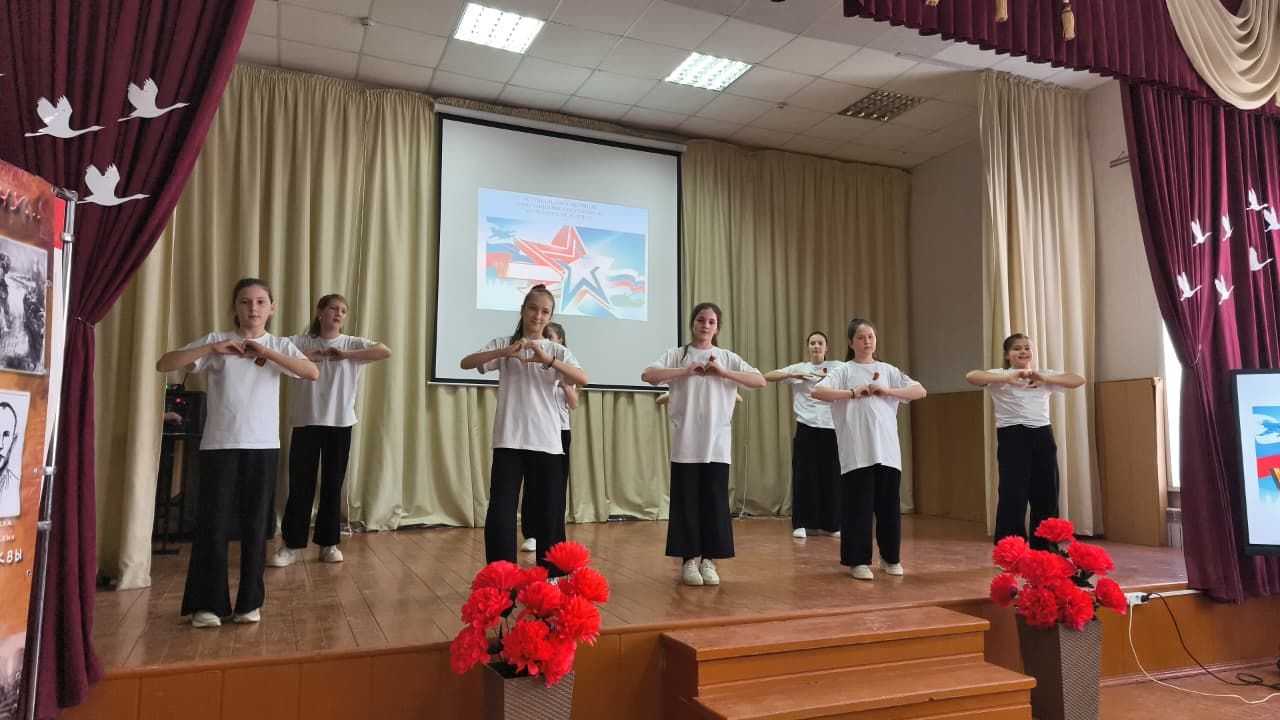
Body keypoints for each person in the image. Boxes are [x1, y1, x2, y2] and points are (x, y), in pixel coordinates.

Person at [156, 278, 318, 627]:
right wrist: (212, 349)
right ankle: (208, 605)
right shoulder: (217, 341)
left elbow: (311, 372)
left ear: (271, 308)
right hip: (219, 445)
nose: (253, 308)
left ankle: (249, 604)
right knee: (212, 525)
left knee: (256, 527)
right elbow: (165, 364)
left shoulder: (279, 345)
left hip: (263, 446)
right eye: (245, 302)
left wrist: (267, 353)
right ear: (234, 307)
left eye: (260, 302)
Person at [460, 284, 588, 574]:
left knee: (549, 512)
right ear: (523, 310)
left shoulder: (557, 350)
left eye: (545, 312)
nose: (538, 316)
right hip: (509, 440)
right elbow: (466, 363)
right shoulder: (505, 344)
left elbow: (583, 378)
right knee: (501, 511)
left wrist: (549, 360)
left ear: (550, 316)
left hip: (547, 442)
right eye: (533, 309)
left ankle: (553, 576)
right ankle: (502, 576)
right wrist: (505, 351)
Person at [641, 302, 765, 586]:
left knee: (715, 503)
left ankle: (709, 560)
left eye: (711, 322)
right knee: (687, 503)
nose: (705, 326)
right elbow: (648, 375)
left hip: (717, 445)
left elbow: (759, 381)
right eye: (700, 320)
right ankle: (688, 560)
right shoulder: (677, 355)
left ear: (717, 327)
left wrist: (724, 373)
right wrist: (684, 371)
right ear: (692, 323)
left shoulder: (727, 358)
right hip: (686, 443)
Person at [269, 293, 391, 568]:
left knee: (333, 485)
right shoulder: (300, 342)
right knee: (300, 485)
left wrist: (346, 355)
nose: (338, 314)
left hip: (340, 423)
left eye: (343, 311)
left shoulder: (351, 343)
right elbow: (273, 354)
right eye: (333, 308)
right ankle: (291, 545)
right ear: (320, 312)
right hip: (306, 422)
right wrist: (305, 357)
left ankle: (329, 544)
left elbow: (384, 351)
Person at [813, 318, 925, 581]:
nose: (867, 342)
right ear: (851, 343)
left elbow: (920, 391)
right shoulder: (844, 371)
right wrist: (852, 393)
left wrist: (887, 390)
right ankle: (858, 560)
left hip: (887, 451)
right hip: (857, 452)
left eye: (871, 337)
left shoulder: (888, 370)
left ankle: (890, 558)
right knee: (858, 509)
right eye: (861, 338)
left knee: (888, 509)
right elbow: (818, 392)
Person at [965, 333, 1084, 549]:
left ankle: (1045, 548)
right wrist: (1007, 379)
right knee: (1013, 493)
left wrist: (1045, 379)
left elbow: (1078, 380)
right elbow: (971, 376)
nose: (1023, 352)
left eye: (1027, 348)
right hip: (1012, 436)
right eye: (1017, 348)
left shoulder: (1043, 375)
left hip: (1042, 434)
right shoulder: (1000, 374)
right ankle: (1010, 549)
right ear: (1007, 354)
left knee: (1047, 492)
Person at [765, 331, 842, 539]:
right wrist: (793, 375)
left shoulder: (837, 367)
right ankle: (801, 523)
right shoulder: (800, 368)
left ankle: (832, 524)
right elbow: (767, 376)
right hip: (806, 427)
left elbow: (856, 376)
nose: (816, 346)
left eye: (820, 343)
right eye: (812, 343)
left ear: (827, 347)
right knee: (804, 476)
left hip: (831, 428)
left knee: (831, 477)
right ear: (808, 347)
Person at [520, 321, 578, 554]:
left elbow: (574, 403)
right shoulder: (532, 363)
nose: (545, 342)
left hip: (560, 431)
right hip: (536, 430)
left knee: (555, 487)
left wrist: (563, 382)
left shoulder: (565, 365)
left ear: (560, 341)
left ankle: (553, 533)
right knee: (531, 484)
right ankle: (531, 533)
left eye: (550, 338)